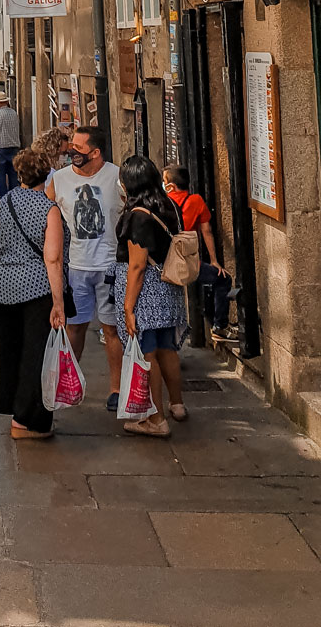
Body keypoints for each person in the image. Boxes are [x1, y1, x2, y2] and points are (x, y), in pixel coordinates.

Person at [0, 144, 69, 440]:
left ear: (19, 174)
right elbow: (52, 258)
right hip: (36, 288)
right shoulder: (49, 209)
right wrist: (59, 303)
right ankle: (28, 421)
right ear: (46, 175)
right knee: (35, 354)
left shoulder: (7, 201)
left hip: (2, 286)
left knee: (8, 350)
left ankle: (13, 408)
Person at [47, 126, 124, 412]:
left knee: (111, 329)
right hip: (76, 266)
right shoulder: (59, 179)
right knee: (74, 328)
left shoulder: (116, 177)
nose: (72, 151)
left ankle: (116, 388)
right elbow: (47, 213)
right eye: (72, 146)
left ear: (95, 152)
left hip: (109, 266)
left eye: (78, 148)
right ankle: (69, 381)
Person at [114, 155, 189, 438]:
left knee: (146, 353)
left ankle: (156, 419)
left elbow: (137, 265)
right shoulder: (167, 205)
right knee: (166, 347)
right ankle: (177, 404)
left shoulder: (137, 217)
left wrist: (128, 306)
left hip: (145, 292)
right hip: (167, 288)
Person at [163, 162, 236, 336]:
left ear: (170, 186)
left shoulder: (162, 201)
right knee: (223, 280)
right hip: (188, 262)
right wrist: (214, 260)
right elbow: (206, 231)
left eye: (164, 181)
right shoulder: (195, 201)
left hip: (164, 261)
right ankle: (219, 325)